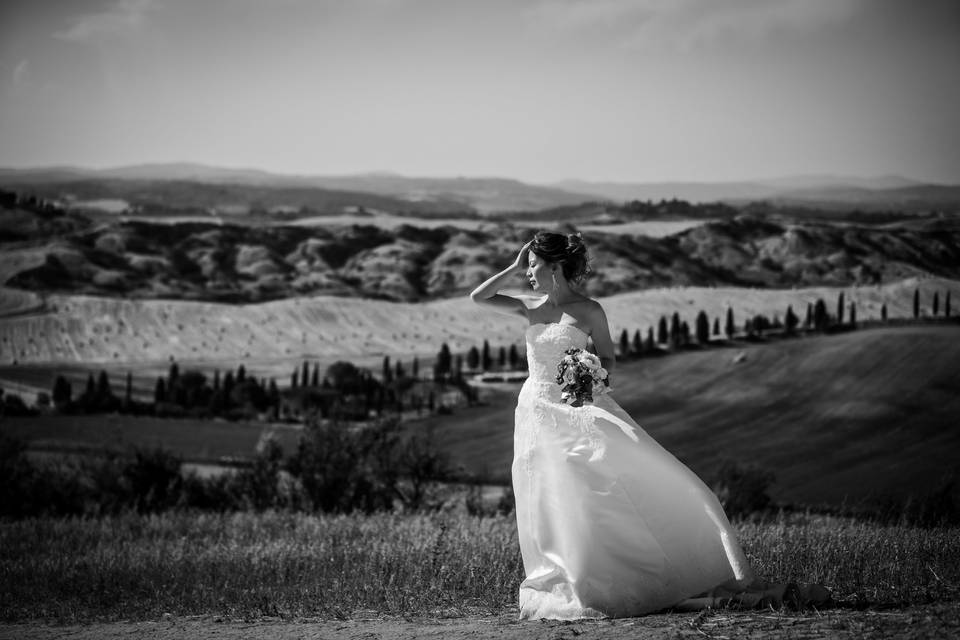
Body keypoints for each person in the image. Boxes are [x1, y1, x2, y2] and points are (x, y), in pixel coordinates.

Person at [469, 231, 827, 619]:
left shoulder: (589, 311)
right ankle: (563, 575)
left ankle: (611, 572)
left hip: (576, 408)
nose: (529, 274)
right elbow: (479, 298)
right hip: (535, 411)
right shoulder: (530, 307)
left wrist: (590, 376)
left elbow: (607, 358)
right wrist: (514, 265)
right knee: (545, 494)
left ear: (555, 266)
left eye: (535, 266)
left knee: (594, 484)